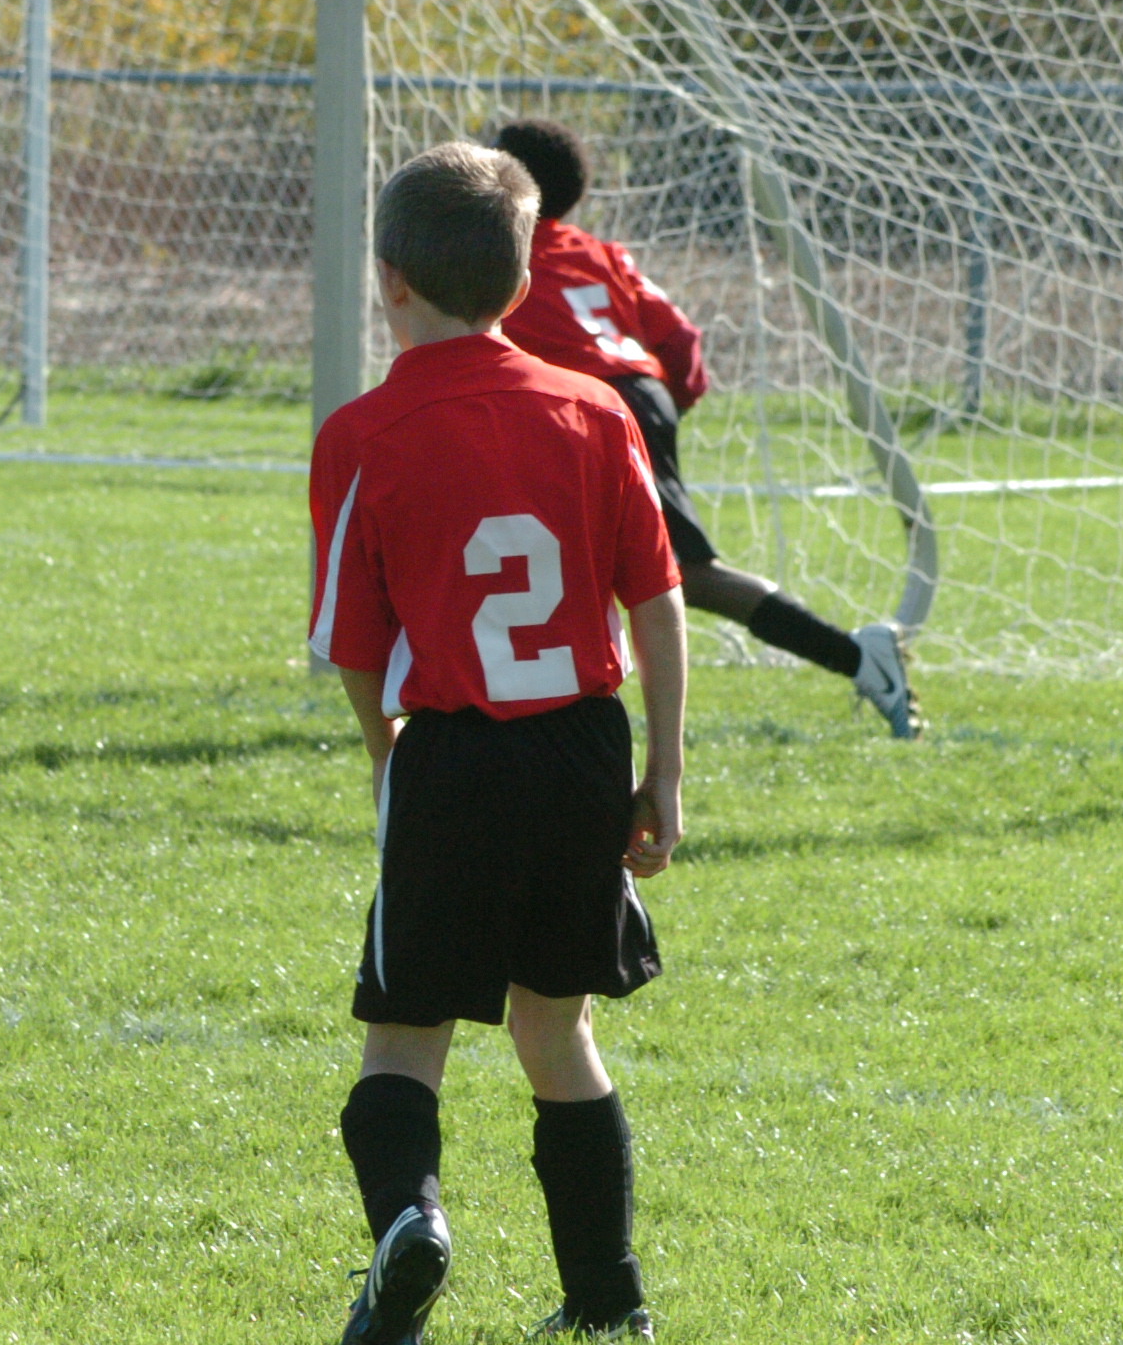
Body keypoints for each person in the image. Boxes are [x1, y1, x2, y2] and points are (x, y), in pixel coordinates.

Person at [310, 142, 685, 1342]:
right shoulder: (595, 409)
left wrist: (386, 750)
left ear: (388, 279)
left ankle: (409, 1226)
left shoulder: (362, 431)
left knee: (402, 1037)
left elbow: (352, 642)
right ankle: (608, 1301)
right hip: (581, 748)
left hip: (454, 754)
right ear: (521, 284)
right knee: (555, 1027)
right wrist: (662, 773)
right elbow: (657, 601)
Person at [491, 118, 922, 739]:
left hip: (591, 408)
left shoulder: (503, 257)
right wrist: (661, 411)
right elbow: (682, 343)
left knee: (680, 574)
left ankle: (859, 658)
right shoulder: (602, 253)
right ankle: (529, 712)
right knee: (575, 558)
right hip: (637, 396)